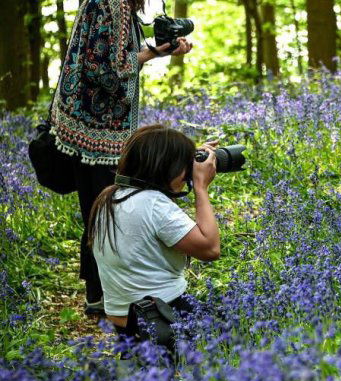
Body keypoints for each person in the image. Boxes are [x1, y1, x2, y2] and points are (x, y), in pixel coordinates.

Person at [50, 0, 194, 316]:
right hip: (94, 128)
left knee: (100, 208)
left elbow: (115, 58)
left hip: (100, 125)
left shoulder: (115, 5)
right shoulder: (109, 3)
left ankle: (101, 293)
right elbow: (102, 69)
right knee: (104, 211)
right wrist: (153, 54)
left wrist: (160, 49)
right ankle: (102, 296)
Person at [87, 125, 220, 342]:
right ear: (165, 168)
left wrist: (183, 155)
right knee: (240, 333)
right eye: (183, 166)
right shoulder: (153, 204)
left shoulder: (108, 197)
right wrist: (200, 187)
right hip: (160, 315)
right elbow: (210, 249)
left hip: (122, 316)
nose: (187, 173)